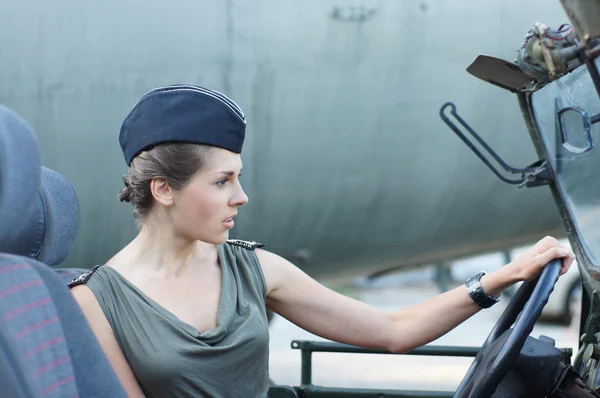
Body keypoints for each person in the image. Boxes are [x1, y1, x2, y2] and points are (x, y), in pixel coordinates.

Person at [70, 84, 575, 398]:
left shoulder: (253, 268)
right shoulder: (95, 301)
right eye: (222, 181)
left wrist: (501, 278)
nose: (241, 198)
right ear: (164, 190)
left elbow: (393, 330)